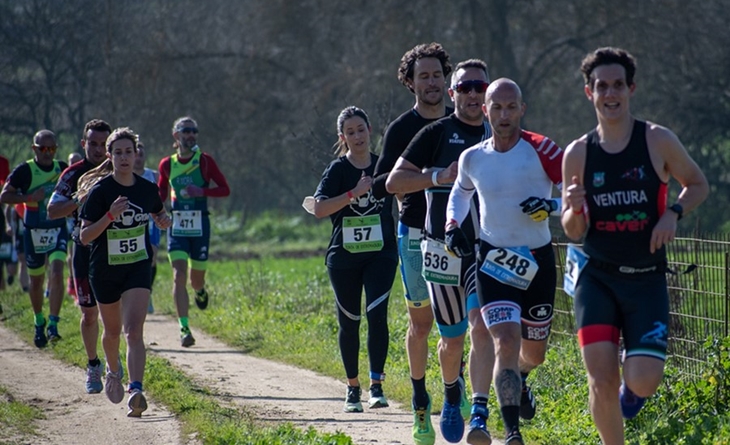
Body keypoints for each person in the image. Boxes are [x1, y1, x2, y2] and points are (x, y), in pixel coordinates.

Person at [561, 47, 709, 445]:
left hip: (646, 279)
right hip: (597, 279)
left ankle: (631, 393)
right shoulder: (578, 153)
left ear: (631, 89)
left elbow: (698, 184)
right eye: (601, 86)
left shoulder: (657, 140)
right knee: (600, 379)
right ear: (588, 92)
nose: (610, 94)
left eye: (618, 86)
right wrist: (575, 208)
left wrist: (672, 213)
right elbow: (573, 231)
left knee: (643, 381)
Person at [445, 78, 563, 444]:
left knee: (534, 354)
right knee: (505, 340)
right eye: (496, 107)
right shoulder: (473, 157)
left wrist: (550, 207)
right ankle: (511, 431)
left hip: (538, 262)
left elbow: (578, 196)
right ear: (485, 110)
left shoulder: (543, 150)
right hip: (493, 260)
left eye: (511, 107)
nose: (504, 114)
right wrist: (452, 226)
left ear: (522, 110)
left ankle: (521, 378)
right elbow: (460, 194)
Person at [387, 59, 495, 444]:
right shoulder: (435, 133)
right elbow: (393, 181)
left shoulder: (498, 132)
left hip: (486, 248)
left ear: (488, 91)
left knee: (481, 324)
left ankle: (480, 410)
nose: (472, 94)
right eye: (464, 88)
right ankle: (451, 394)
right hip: (440, 247)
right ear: (453, 95)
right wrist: (438, 176)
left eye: (478, 87)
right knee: (451, 338)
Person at [371, 42, 456, 445]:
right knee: (421, 325)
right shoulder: (402, 130)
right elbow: (383, 184)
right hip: (415, 234)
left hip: (462, 236)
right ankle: (421, 403)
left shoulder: (465, 121)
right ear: (410, 82)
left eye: (437, 74)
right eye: (423, 75)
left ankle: (456, 400)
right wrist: (430, 179)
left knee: (458, 327)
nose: (432, 82)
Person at [77, 127, 171, 417]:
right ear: (110, 156)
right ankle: (113, 370)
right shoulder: (100, 192)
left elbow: (157, 211)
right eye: (117, 152)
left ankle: (137, 389)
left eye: (129, 151)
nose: (124, 157)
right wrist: (109, 216)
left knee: (133, 331)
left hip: (137, 267)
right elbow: (84, 237)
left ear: (136, 154)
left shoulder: (146, 188)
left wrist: (162, 219)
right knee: (113, 332)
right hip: (104, 270)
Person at [312, 106, 398, 414]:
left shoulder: (384, 165)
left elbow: (405, 192)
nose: (357, 136)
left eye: (361, 129)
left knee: (377, 314)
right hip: (344, 258)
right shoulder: (337, 170)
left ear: (369, 130)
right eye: (350, 132)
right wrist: (352, 194)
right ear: (343, 137)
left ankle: (376, 386)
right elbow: (319, 209)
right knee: (349, 323)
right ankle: (352, 389)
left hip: (381, 254)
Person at [47, 119, 112, 394]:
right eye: (93, 144)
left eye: (103, 145)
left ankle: (114, 364)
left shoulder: (117, 169)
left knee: (113, 315)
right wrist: (79, 200)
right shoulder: (73, 174)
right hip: (83, 250)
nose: (98, 150)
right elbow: (52, 209)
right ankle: (93, 364)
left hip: (113, 251)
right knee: (89, 315)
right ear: (83, 144)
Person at [158, 116, 230, 347]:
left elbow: (224, 189)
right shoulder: (167, 164)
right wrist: (157, 213)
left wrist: (201, 192)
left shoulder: (205, 161)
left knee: (195, 280)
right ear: (175, 136)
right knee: (178, 276)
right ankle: (184, 328)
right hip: (177, 227)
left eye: (194, 131)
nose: (190, 135)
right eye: (185, 131)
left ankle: (200, 292)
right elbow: (160, 195)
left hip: (200, 227)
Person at [0, 130, 68, 347]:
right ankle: (39, 320)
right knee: (36, 281)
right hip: (33, 231)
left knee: (57, 272)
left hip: (57, 229)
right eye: (43, 149)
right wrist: (29, 197)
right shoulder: (25, 170)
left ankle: (54, 324)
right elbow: (4, 196)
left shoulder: (62, 168)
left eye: (52, 149)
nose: (48, 153)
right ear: (34, 149)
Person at [133, 141, 160, 314]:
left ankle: (147, 292)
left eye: (141, 154)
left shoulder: (154, 175)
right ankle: (135, 294)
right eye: (136, 153)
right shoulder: (125, 177)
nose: (138, 157)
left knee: (152, 257)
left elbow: (162, 197)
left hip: (151, 224)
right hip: (132, 224)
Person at [64, 152, 83, 298]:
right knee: (71, 253)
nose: (74, 164)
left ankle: (74, 281)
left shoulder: (85, 176)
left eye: (76, 161)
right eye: (71, 162)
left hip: (81, 221)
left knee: (74, 253)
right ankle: (72, 280)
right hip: (67, 220)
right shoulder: (67, 177)